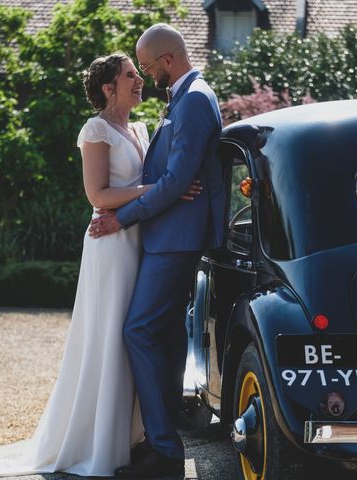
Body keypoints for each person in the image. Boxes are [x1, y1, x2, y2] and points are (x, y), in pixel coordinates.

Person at [0, 53, 202, 480]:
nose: (139, 80)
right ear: (109, 88)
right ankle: (97, 439)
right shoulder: (96, 129)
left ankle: (131, 437)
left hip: (140, 239)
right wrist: (165, 187)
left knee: (135, 340)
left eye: (139, 74)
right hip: (110, 243)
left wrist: (162, 191)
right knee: (110, 337)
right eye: (130, 76)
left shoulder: (139, 128)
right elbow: (99, 196)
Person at [89, 23, 225, 479]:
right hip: (166, 236)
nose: (146, 76)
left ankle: (165, 451)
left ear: (168, 60)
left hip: (176, 240)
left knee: (138, 332)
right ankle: (159, 445)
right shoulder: (183, 99)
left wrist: (121, 218)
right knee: (164, 340)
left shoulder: (194, 100)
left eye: (147, 67)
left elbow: (177, 181)